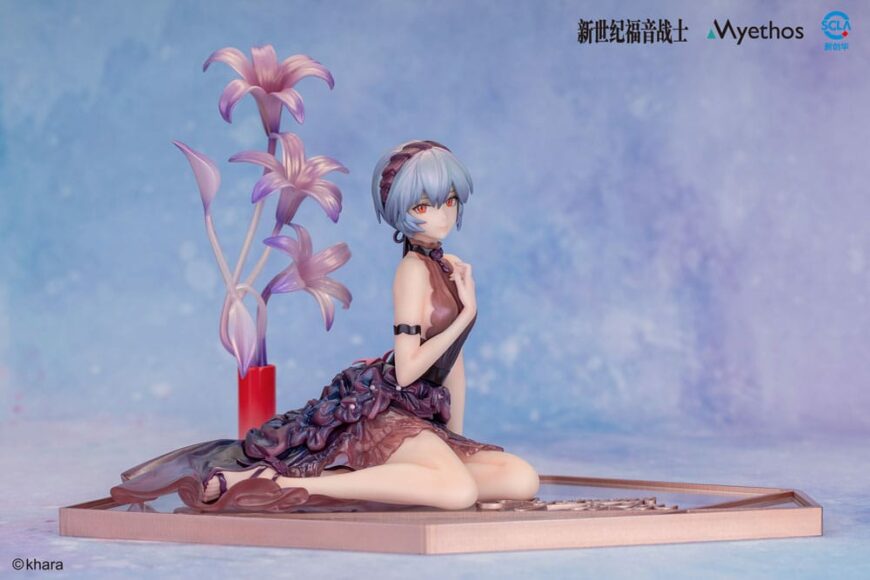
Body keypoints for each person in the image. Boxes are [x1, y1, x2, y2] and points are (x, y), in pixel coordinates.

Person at [110, 140, 540, 513]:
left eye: (450, 201)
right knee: (458, 491)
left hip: (421, 412)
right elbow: (409, 369)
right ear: (399, 211)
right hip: (387, 410)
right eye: (424, 205)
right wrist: (465, 315)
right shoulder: (411, 271)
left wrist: (454, 438)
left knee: (520, 479)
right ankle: (282, 485)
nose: (442, 215)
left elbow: (452, 363)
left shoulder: (448, 268)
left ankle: (387, 482)